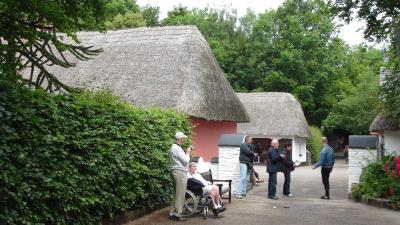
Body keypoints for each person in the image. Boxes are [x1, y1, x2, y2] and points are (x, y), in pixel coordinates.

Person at [169, 131, 192, 221]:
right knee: (180, 194)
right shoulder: (177, 148)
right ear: (179, 139)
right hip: (180, 172)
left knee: (176, 193)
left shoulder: (175, 147)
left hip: (176, 171)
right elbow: (185, 161)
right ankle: (177, 214)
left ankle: (172, 212)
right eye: (183, 138)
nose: (183, 140)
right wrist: (188, 152)